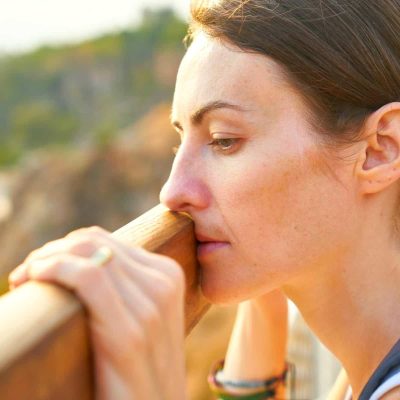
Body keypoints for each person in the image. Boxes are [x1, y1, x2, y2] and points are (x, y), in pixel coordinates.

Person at [8, 0, 400, 398]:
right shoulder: (364, 364)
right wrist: (261, 300)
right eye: (179, 143)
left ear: (379, 150)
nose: (171, 192)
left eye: (223, 140)